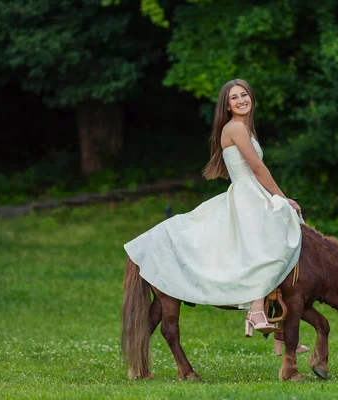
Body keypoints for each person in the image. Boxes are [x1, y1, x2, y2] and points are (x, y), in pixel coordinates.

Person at [123, 78, 305, 344]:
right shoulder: (235, 128)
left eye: (244, 94)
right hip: (247, 192)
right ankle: (258, 309)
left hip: (252, 192)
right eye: (234, 97)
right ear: (227, 106)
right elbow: (257, 168)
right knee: (276, 234)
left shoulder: (244, 128)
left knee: (278, 239)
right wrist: (281, 196)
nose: (241, 100)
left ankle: (276, 320)